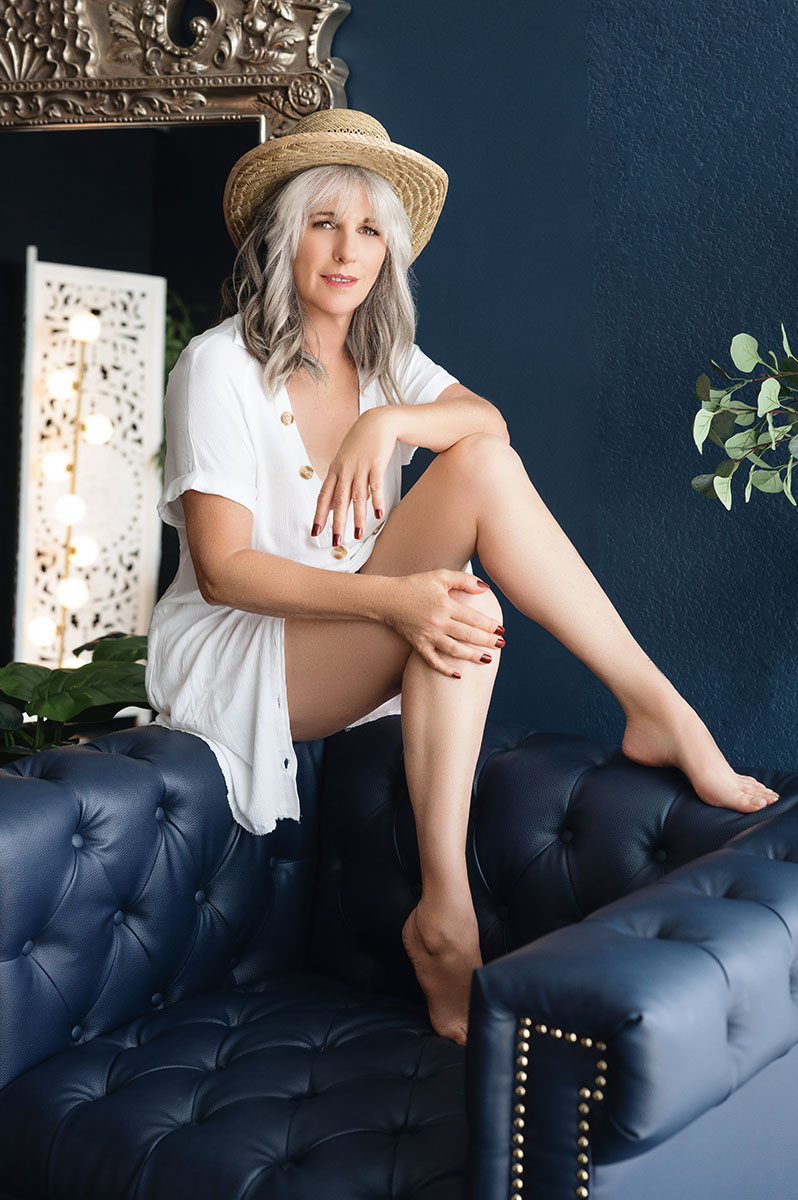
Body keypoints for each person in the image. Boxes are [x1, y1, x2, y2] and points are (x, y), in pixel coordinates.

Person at [146, 108, 780, 1047]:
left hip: (348, 625)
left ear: (390, 251)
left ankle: (450, 905)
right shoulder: (217, 365)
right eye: (324, 221)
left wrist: (388, 423)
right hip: (239, 652)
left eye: (369, 230)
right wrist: (393, 599)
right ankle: (630, 743)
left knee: (473, 543)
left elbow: (488, 427)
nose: (346, 250)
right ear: (284, 234)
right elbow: (227, 571)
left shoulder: (384, 360)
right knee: (447, 586)